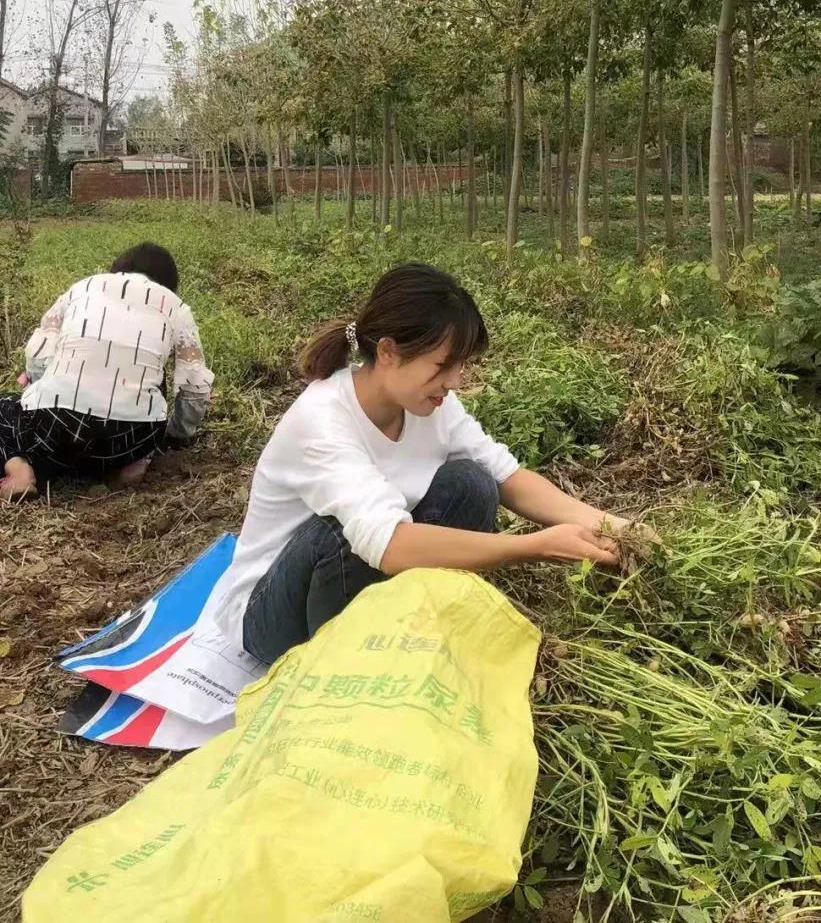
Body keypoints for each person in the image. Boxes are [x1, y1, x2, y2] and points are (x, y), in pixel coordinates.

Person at [211, 262, 640, 666]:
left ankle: (403, 633)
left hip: (357, 571)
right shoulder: (322, 419)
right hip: (272, 614)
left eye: (460, 367)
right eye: (442, 366)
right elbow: (390, 545)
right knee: (340, 533)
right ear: (389, 352)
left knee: (472, 482)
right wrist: (533, 546)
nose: (454, 382)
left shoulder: (433, 406)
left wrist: (611, 525)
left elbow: (506, 475)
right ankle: (342, 662)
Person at [0, 242, 214, 500]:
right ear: (168, 281)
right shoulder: (175, 307)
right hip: (132, 438)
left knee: (7, 411)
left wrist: (39, 391)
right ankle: (130, 466)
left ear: (118, 268)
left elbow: (38, 353)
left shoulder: (82, 288)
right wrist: (177, 435)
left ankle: (20, 467)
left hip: (55, 428)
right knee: (155, 382)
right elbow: (195, 386)